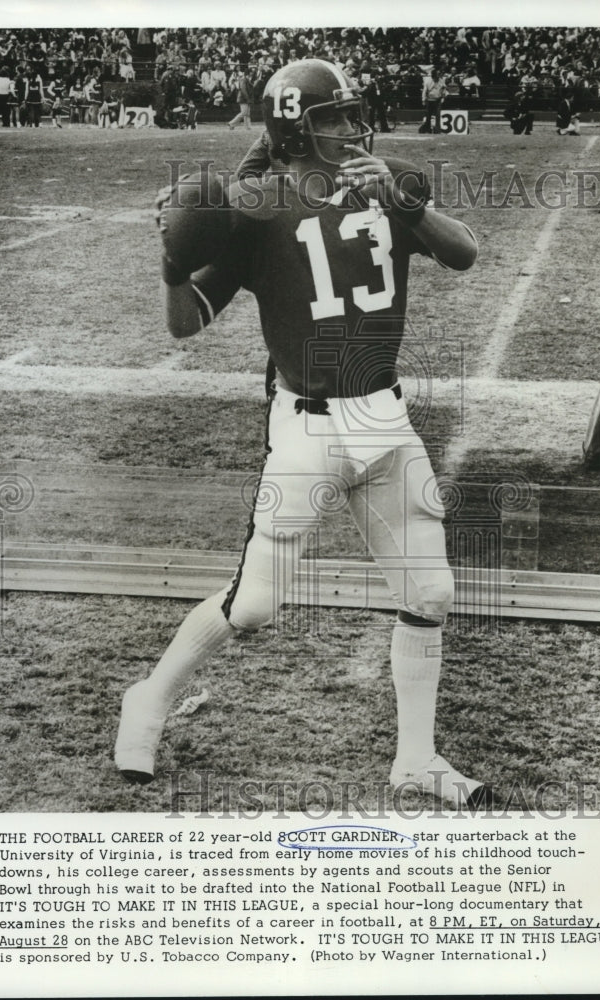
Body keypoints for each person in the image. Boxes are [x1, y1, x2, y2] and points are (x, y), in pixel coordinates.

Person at [114, 58, 491, 809]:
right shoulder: (254, 211)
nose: (353, 129)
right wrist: (170, 258)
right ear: (294, 127)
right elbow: (187, 321)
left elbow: (464, 251)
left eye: (354, 115)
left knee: (432, 593)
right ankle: (148, 698)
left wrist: (407, 207)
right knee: (252, 608)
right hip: (308, 427)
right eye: (334, 119)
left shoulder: (391, 179)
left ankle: (416, 757)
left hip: (385, 415)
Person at [418, 66, 449, 134]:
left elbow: (444, 89)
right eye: (438, 74)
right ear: (434, 75)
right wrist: (423, 100)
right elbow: (424, 91)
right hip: (429, 100)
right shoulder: (428, 81)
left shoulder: (441, 81)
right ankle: (426, 129)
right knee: (428, 115)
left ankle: (437, 130)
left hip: (438, 100)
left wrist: (444, 96)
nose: (439, 75)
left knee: (438, 115)